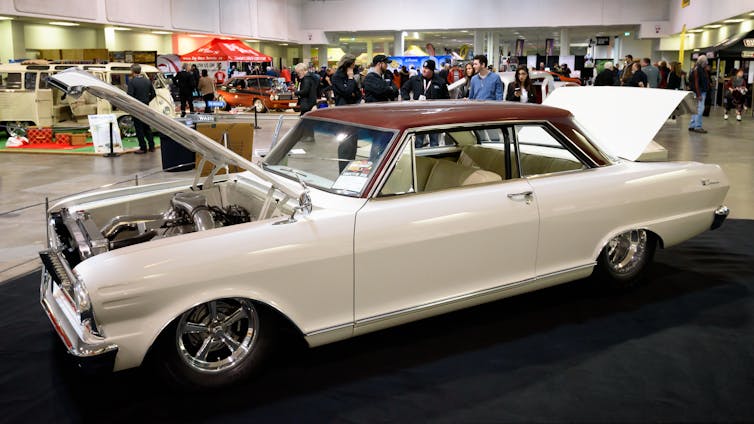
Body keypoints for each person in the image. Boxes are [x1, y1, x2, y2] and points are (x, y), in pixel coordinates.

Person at [126, 64, 156, 154]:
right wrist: (146, 101)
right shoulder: (147, 81)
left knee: (139, 129)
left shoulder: (132, 82)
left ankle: (143, 148)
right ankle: (152, 146)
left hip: (136, 108)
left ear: (132, 71)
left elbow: (130, 96)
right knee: (147, 127)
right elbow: (153, 94)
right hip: (146, 107)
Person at [688, 54, 710, 133]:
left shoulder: (694, 68)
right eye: (706, 63)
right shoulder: (698, 69)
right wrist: (699, 94)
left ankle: (692, 125)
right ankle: (698, 126)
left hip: (696, 91)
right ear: (703, 62)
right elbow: (696, 82)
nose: (706, 64)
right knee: (700, 109)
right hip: (699, 92)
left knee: (695, 109)